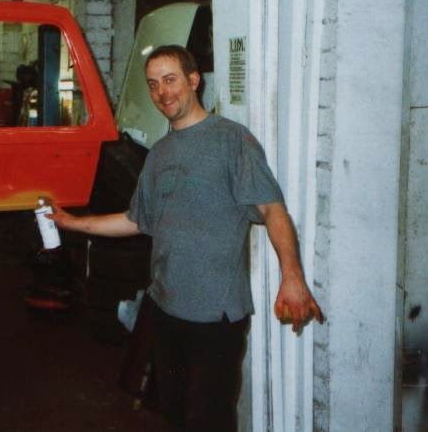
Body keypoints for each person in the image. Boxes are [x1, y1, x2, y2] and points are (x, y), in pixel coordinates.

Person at [48, 44, 323, 431]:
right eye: (153, 85)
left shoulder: (231, 139)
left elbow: (272, 209)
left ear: (194, 80)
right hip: (164, 309)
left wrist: (291, 275)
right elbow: (133, 220)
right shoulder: (159, 154)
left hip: (214, 317)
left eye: (171, 80)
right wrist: (70, 222)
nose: (163, 93)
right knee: (174, 413)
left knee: (208, 419)